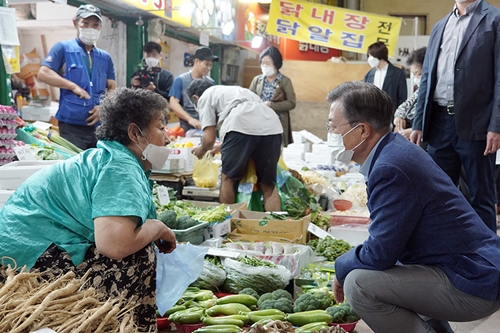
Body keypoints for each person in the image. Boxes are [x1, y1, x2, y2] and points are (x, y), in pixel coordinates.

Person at [327, 81, 500, 333]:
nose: (330, 132)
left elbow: (380, 252)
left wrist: (341, 267)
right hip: (471, 268)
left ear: (362, 130)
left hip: (471, 280)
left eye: (332, 125)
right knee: (391, 273)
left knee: (358, 284)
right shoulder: (393, 151)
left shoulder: (390, 167)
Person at [0, 88, 176, 332]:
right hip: (24, 252)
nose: (167, 138)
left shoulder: (112, 158)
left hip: (25, 240)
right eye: (161, 127)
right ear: (135, 133)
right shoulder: (121, 167)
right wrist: (158, 228)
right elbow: (114, 246)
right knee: (138, 256)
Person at [410, 0, 500, 233]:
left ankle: (487, 262)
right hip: (439, 123)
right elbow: (427, 77)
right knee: (438, 195)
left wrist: (496, 126)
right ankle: (444, 255)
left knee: (480, 198)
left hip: (477, 123)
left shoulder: (494, 20)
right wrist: (419, 123)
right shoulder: (441, 25)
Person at [186, 79, 283, 211]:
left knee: (228, 179)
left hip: (240, 123)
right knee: (268, 185)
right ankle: (276, 228)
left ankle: (227, 224)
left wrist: (202, 149)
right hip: (272, 127)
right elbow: (252, 131)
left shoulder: (205, 96)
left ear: (195, 97)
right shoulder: (237, 91)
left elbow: (208, 139)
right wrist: (222, 146)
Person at [37, 4, 116, 150]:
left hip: (99, 127)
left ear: (100, 28)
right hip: (72, 126)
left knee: (97, 166)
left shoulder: (105, 58)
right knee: (75, 166)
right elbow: (43, 73)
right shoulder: (63, 48)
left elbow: (112, 87)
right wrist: (73, 86)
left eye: (95, 25)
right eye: (85, 23)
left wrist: (104, 107)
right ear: (75, 23)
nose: (90, 28)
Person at [249, 45, 296, 146]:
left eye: (268, 63)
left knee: (275, 151)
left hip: (277, 123)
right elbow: (249, 99)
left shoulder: (285, 81)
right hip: (258, 122)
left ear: (276, 64)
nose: (265, 66)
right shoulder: (257, 80)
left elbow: (291, 103)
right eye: (263, 63)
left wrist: (271, 105)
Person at [169, 46, 217, 133]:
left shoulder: (211, 83)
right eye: (206, 64)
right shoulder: (181, 80)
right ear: (196, 61)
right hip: (186, 127)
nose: (209, 68)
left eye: (211, 65)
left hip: (206, 127)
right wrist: (190, 119)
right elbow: (173, 103)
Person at [393, 47, 427, 140]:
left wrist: (414, 130)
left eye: (419, 74)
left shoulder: (438, 94)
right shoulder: (420, 91)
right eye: (414, 74)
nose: (416, 78)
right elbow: (404, 106)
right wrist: (399, 116)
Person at [364, 41, 407, 113]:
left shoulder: (398, 73)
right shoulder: (369, 74)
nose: (369, 59)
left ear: (378, 55)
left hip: (391, 115)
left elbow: (402, 98)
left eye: (370, 56)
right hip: (372, 115)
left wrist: (399, 115)